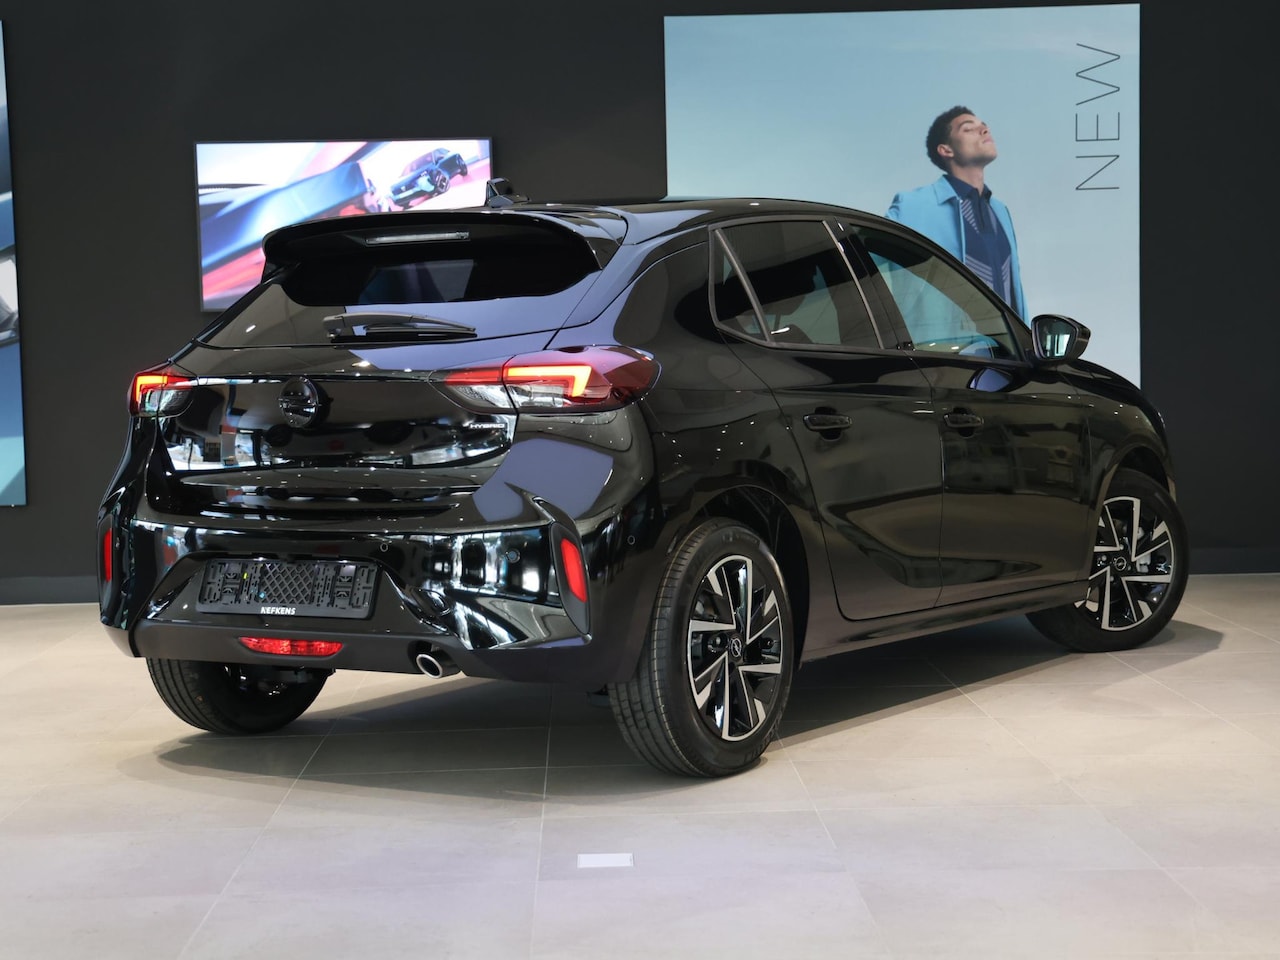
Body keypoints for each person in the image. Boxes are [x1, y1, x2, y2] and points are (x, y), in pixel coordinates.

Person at [886, 106, 1027, 319]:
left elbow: (1015, 292)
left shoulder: (1000, 211)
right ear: (946, 150)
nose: (984, 130)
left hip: (1007, 339)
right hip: (940, 339)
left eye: (984, 126)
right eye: (968, 129)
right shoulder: (912, 206)